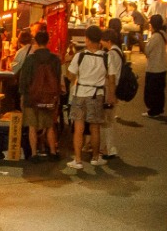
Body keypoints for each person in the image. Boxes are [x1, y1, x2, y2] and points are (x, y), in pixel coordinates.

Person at [66, 25, 116, 170]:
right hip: (97, 95)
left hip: (80, 93)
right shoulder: (106, 57)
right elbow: (111, 79)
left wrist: (76, 78)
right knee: (95, 128)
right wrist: (111, 96)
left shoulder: (80, 56)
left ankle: (78, 160)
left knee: (78, 128)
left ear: (86, 39)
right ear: (100, 40)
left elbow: (70, 75)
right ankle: (95, 157)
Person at [17, 29, 63, 160]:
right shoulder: (55, 59)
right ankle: (53, 152)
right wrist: (56, 97)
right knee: (49, 126)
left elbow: (24, 80)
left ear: (35, 41)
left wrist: (22, 97)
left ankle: (34, 154)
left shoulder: (30, 59)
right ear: (48, 42)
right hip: (49, 97)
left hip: (31, 97)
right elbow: (58, 78)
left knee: (32, 126)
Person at [98, 29, 126, 159]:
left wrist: (111, 94)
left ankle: (110, 148)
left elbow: (111, 76)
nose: (100, 42)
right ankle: (107, 147)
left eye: (102, 40)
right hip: (114, 88)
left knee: (107, 121)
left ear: (108, 41)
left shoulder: (111, 54)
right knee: (108, 120)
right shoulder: (118, 51)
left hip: (110, 90)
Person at [143, 13, 167, 117]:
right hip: (162, 67)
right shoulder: (163, 33)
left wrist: (141, 40)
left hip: (154, 68)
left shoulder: (155, 37)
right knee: (160, 91)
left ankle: (153, 111)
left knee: (151, 91)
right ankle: (159, 109)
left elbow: (147, 51)